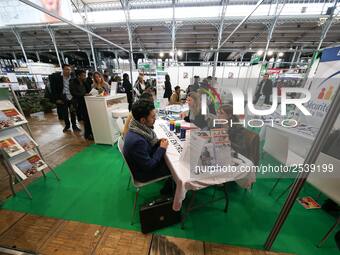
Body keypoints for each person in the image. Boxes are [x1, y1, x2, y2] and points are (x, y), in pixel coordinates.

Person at [123, 100, 171, 183]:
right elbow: (149, 165)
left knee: (168, 158)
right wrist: (161, 149)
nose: (155, 118)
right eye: (152, 117)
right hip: (143, 174)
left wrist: (157, 142)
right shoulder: (137, 141)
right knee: (173, 167)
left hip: (141, 164)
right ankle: (170, 189)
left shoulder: (136, 127)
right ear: (143, 120)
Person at [50, 64, 81, 132]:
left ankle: (74, 126)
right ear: (63, 69)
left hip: (72, 97)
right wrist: (56, 99)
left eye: (69, 69)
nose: (68, 71)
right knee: (65, 113)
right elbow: (53, 89)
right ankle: (67, 126)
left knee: (73, 112)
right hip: (63, 97)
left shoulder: (73, 76)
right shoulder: (57, 77)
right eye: (66, 69)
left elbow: (77, 86)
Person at [70, 70, 93, 140]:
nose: (84, 76)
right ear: (78, 76)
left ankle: (90, 133)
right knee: (85, 119)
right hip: (79, 103)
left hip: (86, 102)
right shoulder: (73, 83)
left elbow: (88, 90)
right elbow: (73, 93)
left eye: (85, 75)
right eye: (83, 75)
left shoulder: (84, 82)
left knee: (89, 119)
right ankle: (87, 135)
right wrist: (83, 95)